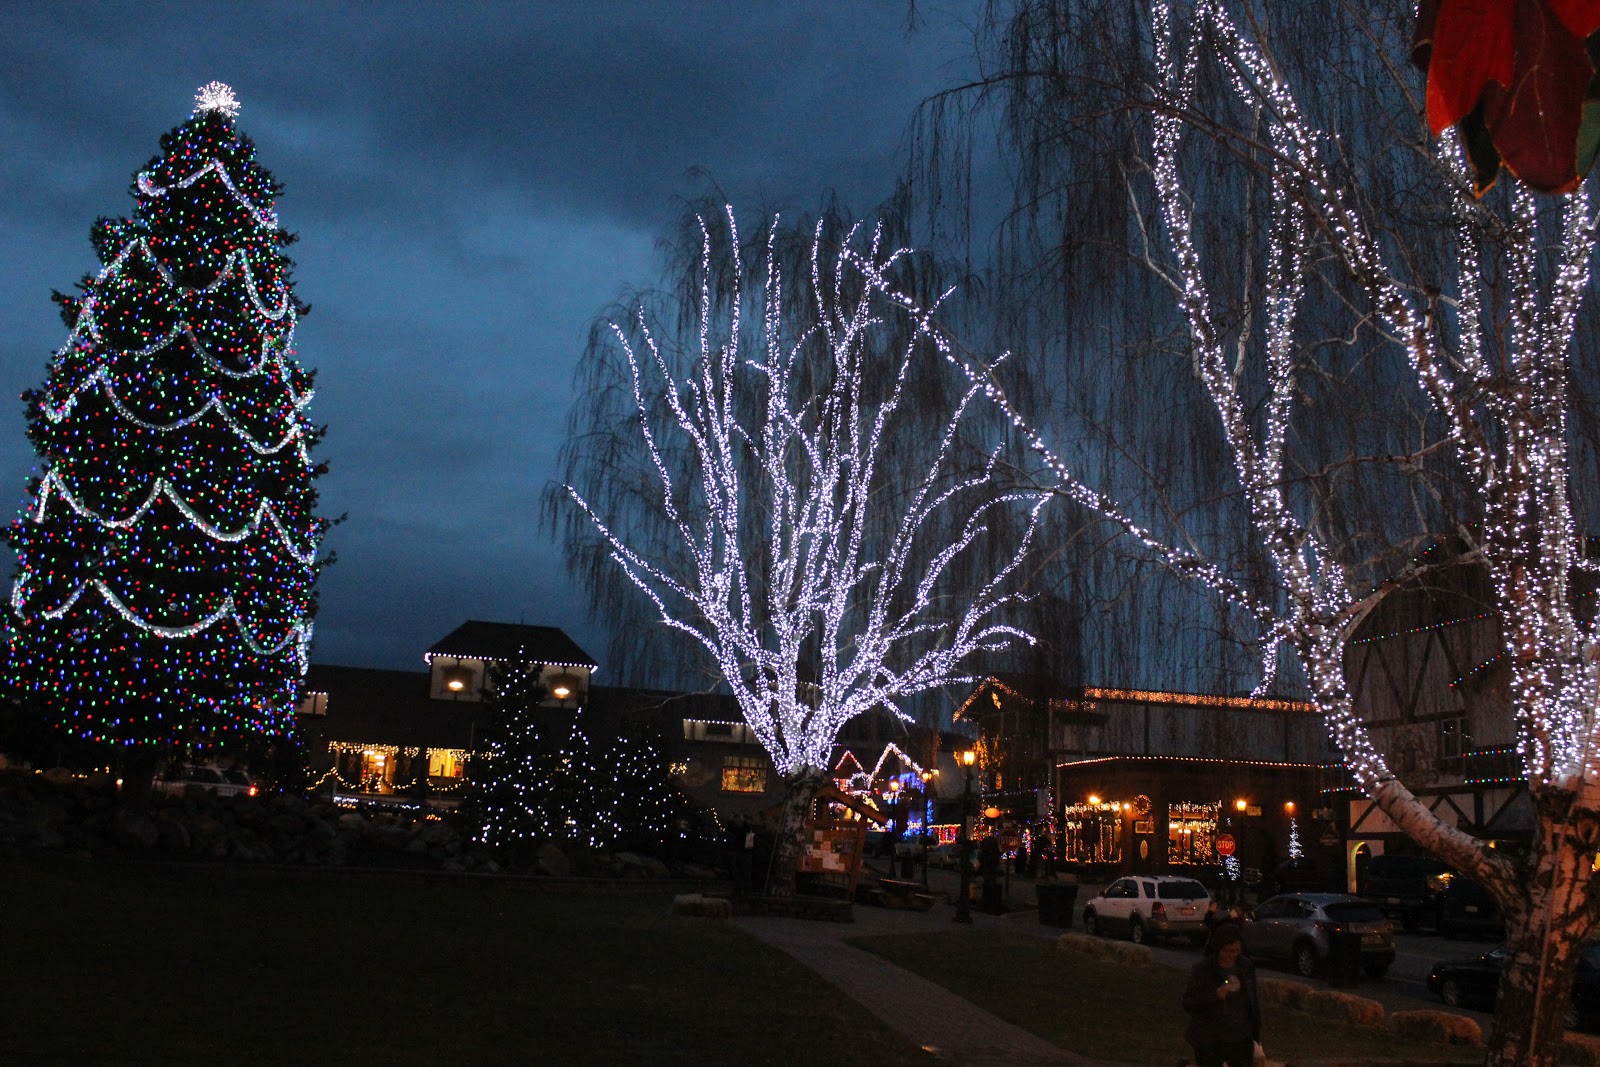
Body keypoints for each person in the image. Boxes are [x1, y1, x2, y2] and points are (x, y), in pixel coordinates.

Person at [1182, 923, 1261, 1067]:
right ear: (1218, 948)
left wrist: (1255, 1037)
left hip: (1241, 1038)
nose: (1232, 955)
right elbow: (1188, 1003)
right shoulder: (1203, 969)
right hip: (1211, 1038)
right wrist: (1215, 996)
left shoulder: (1245, 967)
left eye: (1236, 951)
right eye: (1228, 951)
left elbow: (1252, 1002)